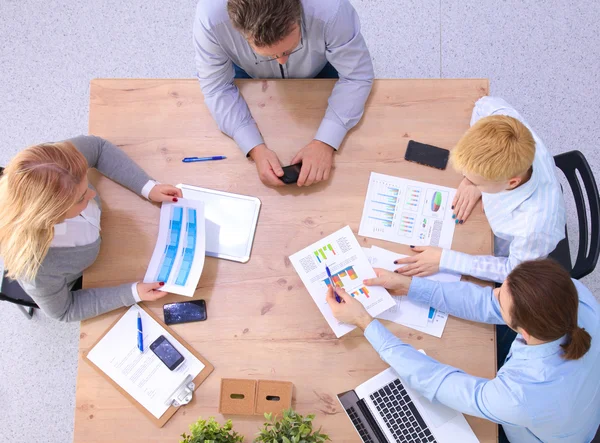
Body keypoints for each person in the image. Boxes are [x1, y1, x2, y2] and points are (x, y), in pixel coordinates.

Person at [326, 259, 600, 442]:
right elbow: (484, 302)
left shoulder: (519, 396)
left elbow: (437, 382)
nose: (491, 294)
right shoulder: (572, 293)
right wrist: (410, 286)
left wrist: (365, 322)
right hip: (572, 409)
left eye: (500, 300)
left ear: (523, 331)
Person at [0, 135, 182, 322]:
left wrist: (147, 187)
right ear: (50, 217)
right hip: (87, 275)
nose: (92, 193)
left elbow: (98, 148)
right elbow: (65, 310)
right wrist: (132, 293)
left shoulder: (55, 165)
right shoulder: (38, 269)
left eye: (85, 183)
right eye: (81, 198)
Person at [193, 0, 374, 188]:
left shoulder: (332, 9)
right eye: (270, 54)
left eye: (288, 50)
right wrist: (254, 148)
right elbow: (217, 87)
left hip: (322, 64)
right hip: (248, 71)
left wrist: (326, 141)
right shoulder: (210, 17)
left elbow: (357, 76)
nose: (281, 61)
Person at [394, 96, 566, 283]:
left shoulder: (534, 228)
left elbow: (514, 271)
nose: (469, 181)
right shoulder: (507, 124)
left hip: (510, 248)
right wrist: (471, 181)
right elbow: (483, 104)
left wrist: (446, 260)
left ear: (511, 183)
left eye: (478, 182)